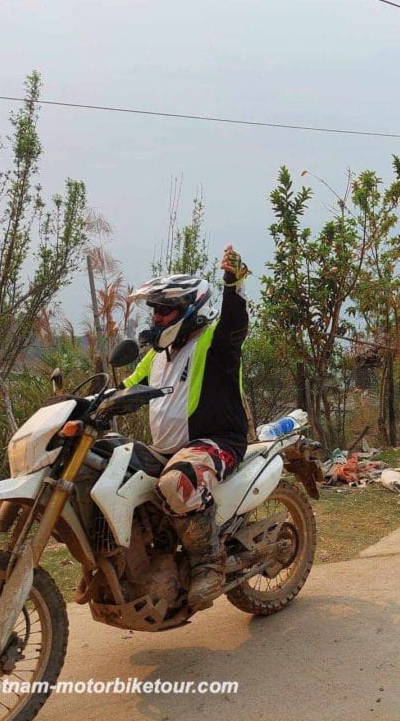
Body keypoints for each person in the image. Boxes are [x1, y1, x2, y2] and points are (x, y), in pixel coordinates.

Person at [124, 245, 250, 610]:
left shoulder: (213, 341)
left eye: (166, 311)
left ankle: (208, 561)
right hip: (167, 448)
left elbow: (235, 326)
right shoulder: (157, 354)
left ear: (189, 310)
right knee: (109, 464)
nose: (158, 318)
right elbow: (129, 387)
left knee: (176, 482)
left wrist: (233, 283)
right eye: (156, 311)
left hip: (216, 441)